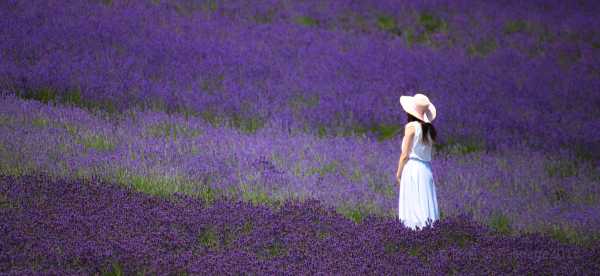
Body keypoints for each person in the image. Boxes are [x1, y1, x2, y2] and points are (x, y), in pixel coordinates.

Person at [396, 93, 440, 230]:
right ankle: (429, 234)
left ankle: (412, 234)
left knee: (412, 204)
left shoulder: (411, 127)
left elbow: (405, 154)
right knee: (425, 203)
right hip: (426, 170)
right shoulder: (429, 130)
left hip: (412, 169)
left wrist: (398, 173)